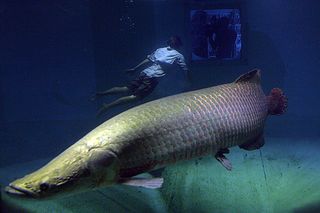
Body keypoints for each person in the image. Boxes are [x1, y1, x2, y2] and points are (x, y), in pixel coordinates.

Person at [92, 36, 190, 116]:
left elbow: (148, 60)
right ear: (179, 45)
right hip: (153, 78)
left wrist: (135, 68)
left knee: (126, 89)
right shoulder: (178, 56)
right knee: (135, 97)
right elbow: (185, 70)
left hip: (145, 73)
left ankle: (101, 94)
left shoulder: (160, 50)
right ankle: (107, 106)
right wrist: (187, 80)